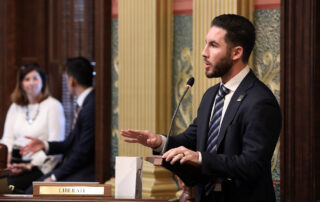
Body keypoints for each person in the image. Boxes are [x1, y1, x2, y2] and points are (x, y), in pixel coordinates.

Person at [121, 14, 281, 202]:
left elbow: (252, 164)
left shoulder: (259, 101)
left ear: (236, 53)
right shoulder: (211, 95)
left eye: (213, 45)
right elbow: (191, 139)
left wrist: (201, 159)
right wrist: (159, 142)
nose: (204, 52)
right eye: (206, 43)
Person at [21, 56, 95, 193]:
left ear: (72, 81)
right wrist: (45, 145)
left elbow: (82, 153)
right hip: (73, 167)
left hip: (86, 172)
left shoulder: (91, 106)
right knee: (29, 189)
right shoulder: (86, 103)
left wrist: (55, 177)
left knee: (33, 191)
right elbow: (70, 143)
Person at [1, 64, 65, 193]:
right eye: (27, 79)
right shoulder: (15, 106)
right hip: (12, 164)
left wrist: (29, 165)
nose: (31, 83)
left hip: (38, 166)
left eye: (35, 78)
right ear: (21, 84)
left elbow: (56, 143)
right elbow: (7, 138)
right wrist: (6, 164)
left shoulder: (53, 106)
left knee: (6, 188)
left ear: (42, 81)